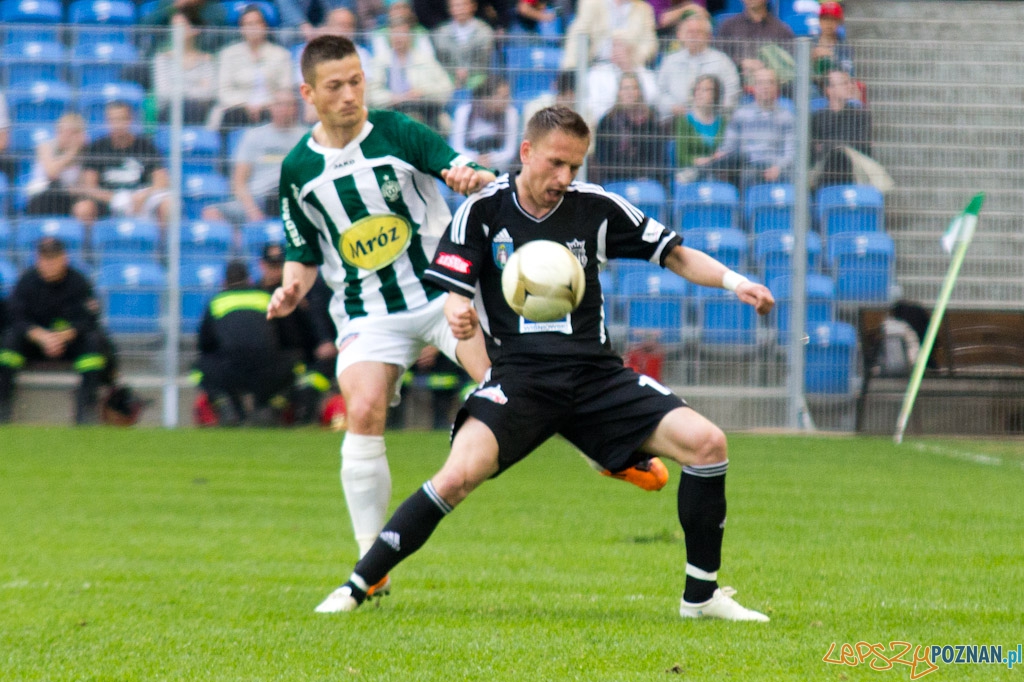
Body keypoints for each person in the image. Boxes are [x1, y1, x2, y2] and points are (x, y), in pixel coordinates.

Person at [315, 105, 775, 620]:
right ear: (526, 152)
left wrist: (739, 283)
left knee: (708, 444)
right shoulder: (484, 210)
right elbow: (452, 292)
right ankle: (357, 586)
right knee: (455, 477)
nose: (565, 178)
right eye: (556, 164)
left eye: (575, 167)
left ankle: (702, 598)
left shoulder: (595, 207)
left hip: (596, 377)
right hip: (519, 380)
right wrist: (459, 312)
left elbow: (675, 254)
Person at [269, 37, 667, 600]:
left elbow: (461, 165)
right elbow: (304, 252)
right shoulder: (297, 170)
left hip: (443, 296)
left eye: (357, 80)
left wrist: (468, 175)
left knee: (511, 386)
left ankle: (607, 451)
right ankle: (372, 564)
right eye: (335, 86)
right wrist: (291, 286)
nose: (350, 94)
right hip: (368, 312)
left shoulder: (396, 132)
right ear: (309, 93)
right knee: (361, 409)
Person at [0, 237, 117, 424]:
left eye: (54, 258)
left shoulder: (78, 282)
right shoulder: (26, 281)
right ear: (38, 260)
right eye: (45, 259)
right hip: (33, 343)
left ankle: (85, 412)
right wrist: (41, 336)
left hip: (70, 343)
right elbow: (15, 317)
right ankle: (2, 410)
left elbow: (88, 320)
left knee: (93, 343)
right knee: (8, 342)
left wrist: (61, 337)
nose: (49, 264)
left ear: (64, 258)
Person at [196, 259, 302, 425]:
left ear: (224, 283)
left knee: (200, 368)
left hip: (230, 370)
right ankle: (270, 408)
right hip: (266, 369)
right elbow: (289, 338)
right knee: (296, 365)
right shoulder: (266, 297)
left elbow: (205, 344)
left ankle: (227, 407)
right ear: (250, 280)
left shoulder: (216, 302)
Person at [202, 90, 307, 227]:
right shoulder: (254, 136)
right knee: (211, 213)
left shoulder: (306, 138)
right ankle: (242, 246)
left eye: (288, 104)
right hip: (256, 199)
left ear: (295, 108)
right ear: (271, 107)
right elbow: (238, 182)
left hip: (292, 200)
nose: (283, 109)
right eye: (279, 104)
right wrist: (252, 211)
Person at [696, 67, 794, 193]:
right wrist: (718, 155)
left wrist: (778, 167)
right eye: (760, 83)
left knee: (749, 174)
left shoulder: (787, 117)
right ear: (753, 87)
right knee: (734, 167)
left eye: (770, 82)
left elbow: (791, 151)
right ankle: (701, 172)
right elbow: (729, 146)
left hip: (774, 166)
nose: (765, 87)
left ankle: (697, 172)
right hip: (747, 164)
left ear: (776, 88)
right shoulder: (741, 114)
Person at [75, 101, 171, 228]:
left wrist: (143, 195)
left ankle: (162, 246)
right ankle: (90, 247)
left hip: (141, 201)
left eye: (121, 119)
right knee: (83, 208)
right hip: (108, 202)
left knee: (168, 205)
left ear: (130, 120)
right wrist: (116, 199)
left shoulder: (145, 146)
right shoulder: (97, 147)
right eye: (113, 120)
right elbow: (89, 186)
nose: (117, 125)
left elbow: (162, 181)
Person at [210, 5, 295, 137]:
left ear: (265, 26)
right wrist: (246, 103)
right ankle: (224, 156)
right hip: (237, 107)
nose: (253, 27)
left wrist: (265, 104)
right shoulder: (228, 54)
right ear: (241, 28)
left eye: (257, 23)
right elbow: (223, 91)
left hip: (270, 107)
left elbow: (285, 88)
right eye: (248, 24)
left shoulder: (281, 54)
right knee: (229, 117)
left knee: (278, 115)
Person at [367, 14, 454, 131]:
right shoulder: (380, 61)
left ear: (410, 35)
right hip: (391, 113)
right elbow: (371, 95)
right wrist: (395, 98)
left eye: (402, 33)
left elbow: (446, 89)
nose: (398, 38)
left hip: (425, 113)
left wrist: (422, 92)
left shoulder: (425, 60)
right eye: (394, 34)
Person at [654, 11, 740, 121]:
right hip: (675, 120)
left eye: (698, 32)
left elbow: (732, 93)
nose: (693, 36)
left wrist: (710, 113)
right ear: (679, 35)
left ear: (708, 36)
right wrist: (673, 107)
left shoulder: (722, 61)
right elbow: (659, 93)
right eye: (689, 32)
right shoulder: (669, 61)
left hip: (712, 124)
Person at [591, 72, 667, 186]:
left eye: (633, 88)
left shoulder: (652, 121)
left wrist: (645, 175)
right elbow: (602, 157)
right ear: (619, 93)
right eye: (625, 88)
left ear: (640, 92)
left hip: (646, 179)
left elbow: (657, 155)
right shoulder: (607, 121)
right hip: (615, 179)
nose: (629, 93)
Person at [151, 13, 218, 125]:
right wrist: (195, 86)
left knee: (192, 108)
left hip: (199, 112)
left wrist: (179, 89)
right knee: (182, 106)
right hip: (169, 110)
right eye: (173, 27)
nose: (176, 31)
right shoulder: (162, 58)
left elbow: (209, 93)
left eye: (181, 26)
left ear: (195, 30)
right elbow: (163, 92)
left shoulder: (206, 60)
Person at [810, 69, 872, 189]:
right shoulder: (818, 117)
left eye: (849, 82)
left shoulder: (861, 115)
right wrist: (839, 144)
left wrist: (826, 145)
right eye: (844, 83)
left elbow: (860, 145)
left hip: (853, 167)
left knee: (840, 157)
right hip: (825, 169)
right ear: (829, 90)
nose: (849, 86)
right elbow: (813, 150)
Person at [450, 75, 520, 174]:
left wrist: (490, 160)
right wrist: (475, 159)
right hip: (468, 166)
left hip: (498, 167)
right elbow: (457, 148)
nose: (508, 101)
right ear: (486, 98)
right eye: (503, 97)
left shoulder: (511, 113)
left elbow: (510, 151)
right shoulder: (464, 112)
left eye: (508, 96)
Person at [24, 113, 88, 217]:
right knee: (53, 189)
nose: (64, 136)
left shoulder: (84, 155)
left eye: (70, 133)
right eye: (61, 131)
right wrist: (72, 153)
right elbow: (52, 172)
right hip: (41, 196)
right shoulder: (45, 146)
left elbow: (82, 187)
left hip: (67, 198)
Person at [561, 0, 657, 70]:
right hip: (599, 66)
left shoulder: (644, 9)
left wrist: (632, 57)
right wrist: (570, 68)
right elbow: (577, 36)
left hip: (632, 68)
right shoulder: (591, 3)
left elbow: (650, 44)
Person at [714, 0, 793, 84]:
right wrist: (741, 63)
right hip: (736, 85)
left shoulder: (782, 30)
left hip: (769, 91)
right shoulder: (728, 26)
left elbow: (788, 68)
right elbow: (718, 58)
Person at [585, 33, 657, 124]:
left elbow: (652, 99)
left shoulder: (645, 74)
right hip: (608, 123)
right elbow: (593, 104)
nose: (616, 51)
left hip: (639, 122)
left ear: (631, 50)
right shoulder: (597, 73)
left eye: (620, 46)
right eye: (614, 46)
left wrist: (628, 69)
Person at [431, 0, 495, 92]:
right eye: (456, 6)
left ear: (473, 6)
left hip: (476, 74)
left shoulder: (485, 31)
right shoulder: (440, 32)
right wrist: (455, 72)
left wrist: (467, 71)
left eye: (464, 5)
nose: (460, 9)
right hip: (449, 75)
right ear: (450, 9)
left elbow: (483, 59)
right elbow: (441, 58)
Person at [674, 74, 726, 181]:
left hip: (717, 169)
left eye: (705, 90)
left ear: (716, 94)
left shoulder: (723, 122)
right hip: (691, 170)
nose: (699, 94)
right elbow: (681, 155)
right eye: (697, 89)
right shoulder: (684, 121)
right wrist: (697, 160)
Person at [812, 1, 854, 80]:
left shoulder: (844, 47)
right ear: (819, 21)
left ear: (839, 22)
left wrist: (832, 56)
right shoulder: (810, 43)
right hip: (814, 85)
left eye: (833, 19)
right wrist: (811, 57)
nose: (829, 23)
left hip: (836, 86)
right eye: (825, 19)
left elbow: (849, 72)